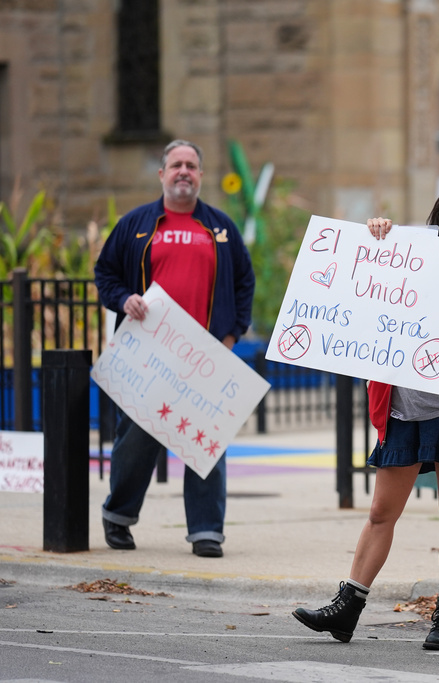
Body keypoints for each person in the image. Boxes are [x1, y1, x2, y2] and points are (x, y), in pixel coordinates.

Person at [292, 179, 439, 649]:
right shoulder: (408, 254)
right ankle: (347, 609)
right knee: (382, 511)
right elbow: (365, 270)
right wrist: (375, 234)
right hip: (405, 406)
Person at [93, 139, 255, 559]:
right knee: (136, 441)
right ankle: (119, 516)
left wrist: (232, 336)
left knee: (205, 444)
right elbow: (105, 273)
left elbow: (244, 282)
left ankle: (206, 532)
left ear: (200, 175)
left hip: (205, 357)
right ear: (162, 174)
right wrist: (123, 298)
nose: (184, 171)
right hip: (148, 358)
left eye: (192, 165)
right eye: (176, 165)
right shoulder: (136, 224)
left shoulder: (220, 228)